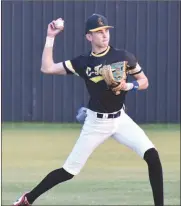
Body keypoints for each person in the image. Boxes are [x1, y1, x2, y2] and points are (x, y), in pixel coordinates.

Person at [13, 14, 164, 206]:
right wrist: (51, 36)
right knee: (69, 171)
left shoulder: (124, 57)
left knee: (152, 156)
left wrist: (130, 86)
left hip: (120, 119)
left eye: (106, 30)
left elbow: (144, 81)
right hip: (96, 123)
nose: (104, 34)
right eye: (98, 31)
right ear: (88, 37)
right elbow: (47, 67)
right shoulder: (83, 63)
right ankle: (28, 199)